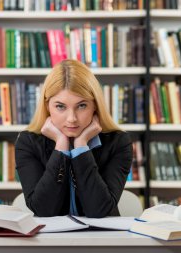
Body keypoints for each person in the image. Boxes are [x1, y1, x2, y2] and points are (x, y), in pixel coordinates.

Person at [15, 59, 133, 218]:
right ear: (47, 106)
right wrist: (61, 147)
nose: (72, 118)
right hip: (49, 242)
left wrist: (81, 147)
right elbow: (43, 209)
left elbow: (99, 210)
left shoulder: (119, 143)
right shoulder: (27, 143)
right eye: (60, 106)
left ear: (95, 106)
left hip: (102, 239)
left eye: (82, 105)